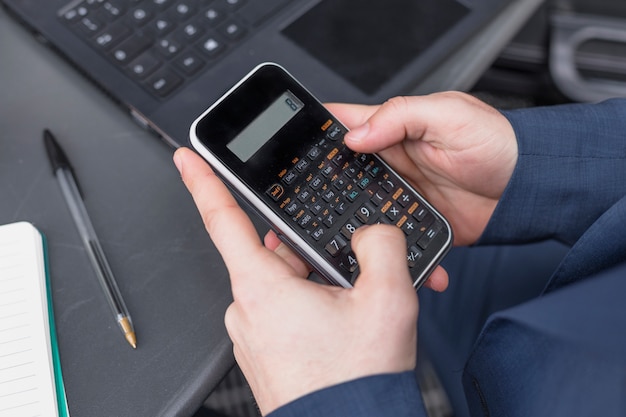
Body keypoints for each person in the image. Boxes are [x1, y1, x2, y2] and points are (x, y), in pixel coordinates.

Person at [173, 92, 626, 417]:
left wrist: (325, 396)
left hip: (545, 378)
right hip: (594, 284)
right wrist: (527, 166)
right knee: (434, 257)